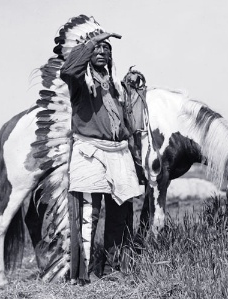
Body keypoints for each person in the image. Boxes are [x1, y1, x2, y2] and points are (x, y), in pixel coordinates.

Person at [60, 31, 142, 284]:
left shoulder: (116, 86)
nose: (101, 52)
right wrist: (94, 40)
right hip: (89, 151)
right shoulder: (80, 83)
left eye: (106, 49)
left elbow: (131, 119)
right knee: (88, 213)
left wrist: (134, 88)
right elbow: (69, 69)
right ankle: (82, 274)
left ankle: (112, 268)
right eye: (96, 49)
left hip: (118, 152)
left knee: (120, 213)